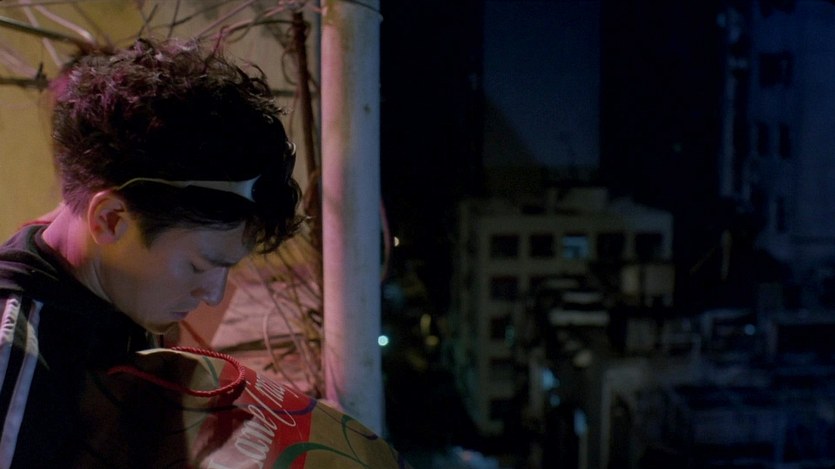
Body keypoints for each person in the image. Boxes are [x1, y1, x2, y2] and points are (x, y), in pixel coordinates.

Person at [0, 37, 302, 467]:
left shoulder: (117, 294)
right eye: (198, 265)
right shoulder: (18, 361)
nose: (214, 294)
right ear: (111, 220)